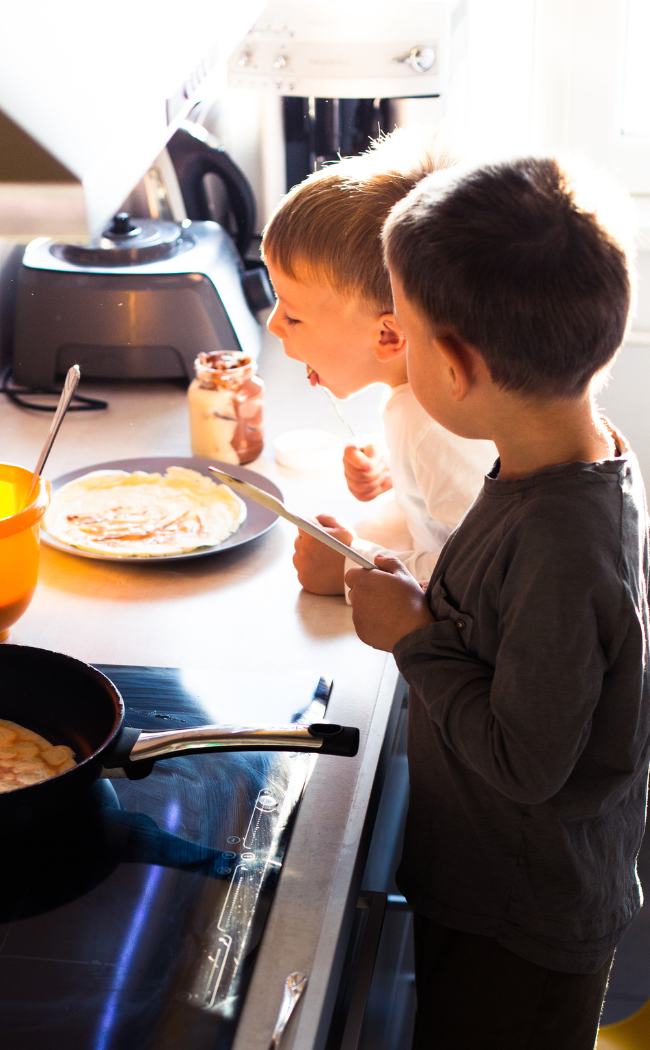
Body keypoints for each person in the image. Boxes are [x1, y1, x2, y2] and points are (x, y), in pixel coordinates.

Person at [346, 155, 649, 1049]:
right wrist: (428, 603)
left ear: (451, 364)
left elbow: (527, 762)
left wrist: (413, 638)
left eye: (398, 328)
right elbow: (507, 629)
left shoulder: (564, 539)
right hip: (492, 885)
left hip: (522, 921)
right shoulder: (553, 464)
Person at [261, 131, 497, 594]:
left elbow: (481, 579)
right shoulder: (427, 397)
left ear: (389, 335)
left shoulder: (436, 425)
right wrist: (394, 467)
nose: (273, 326)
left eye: (292, 314)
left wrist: (352, 568)